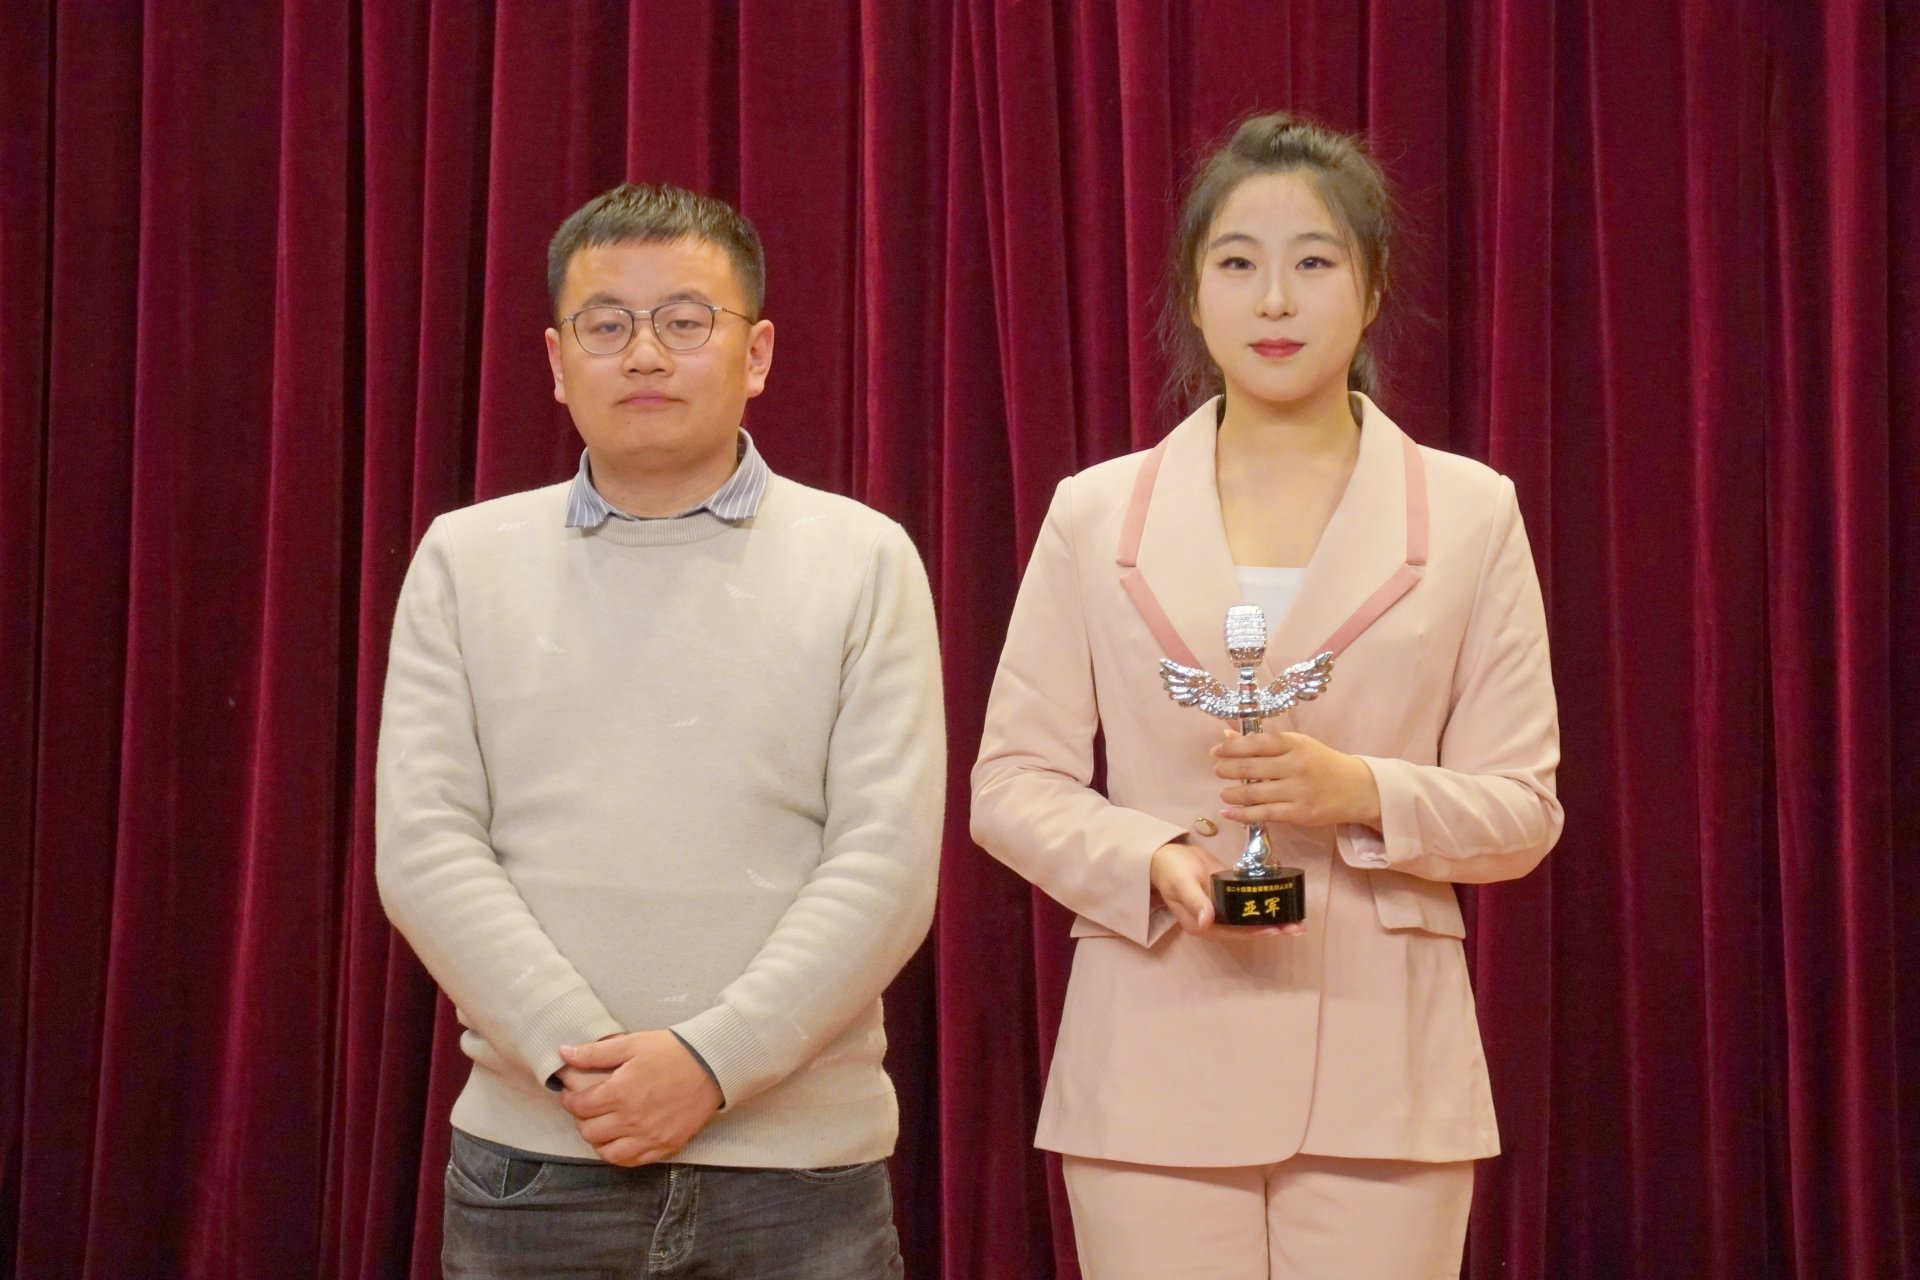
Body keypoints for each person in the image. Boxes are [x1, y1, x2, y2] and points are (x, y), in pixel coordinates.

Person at [970, 113, 1562, 1279]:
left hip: (1387, 1073)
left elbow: (1523, 808)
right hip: (1153, 1053)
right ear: (1194, 296)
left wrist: (1360, 788)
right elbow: (1012, 783)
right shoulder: (1096, 511)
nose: (1275, 300)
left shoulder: (1470, 510)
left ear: (1372, 288)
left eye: (1315, 260)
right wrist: (1148, 856)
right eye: (1237, 262)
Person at [376, 182, 942, 1279]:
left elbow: (885, 860)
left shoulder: (865, 558)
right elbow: (426, 845)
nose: (644, 354)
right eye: (606, 324)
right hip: (537, 1165)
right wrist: (585, 1062)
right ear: (556, 361)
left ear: (757, 352)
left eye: (686, 321)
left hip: (799, 1181)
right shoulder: (463, 558)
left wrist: (709, 1064)